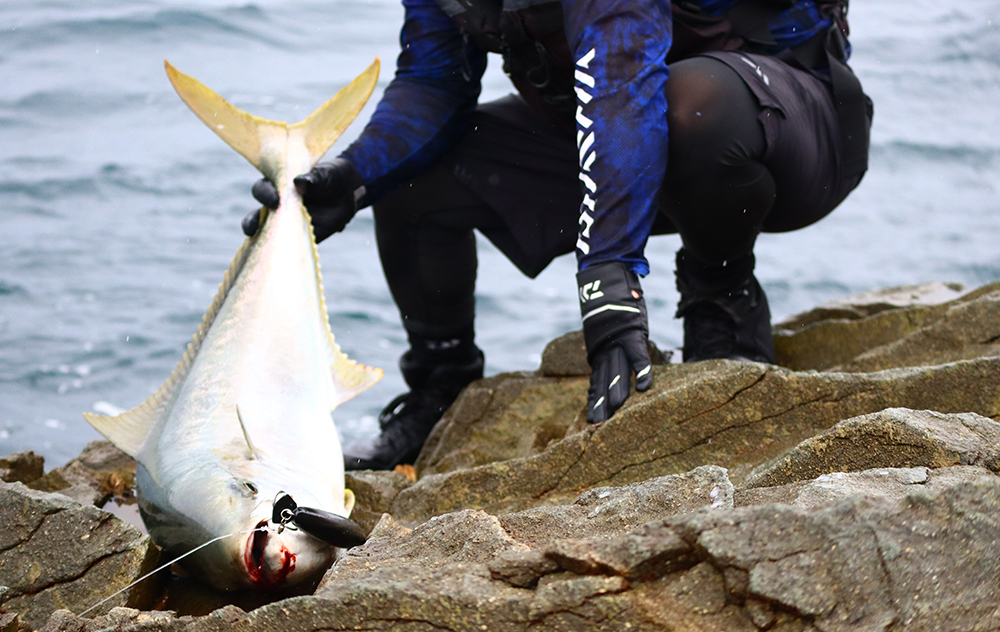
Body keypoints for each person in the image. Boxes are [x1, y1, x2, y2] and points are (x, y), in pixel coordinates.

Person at [246, 0, 872, 471]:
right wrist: (354, 177)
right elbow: (435, 83)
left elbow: (623, 77)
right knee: (413, 179)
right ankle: (439, 392)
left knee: (691, 106)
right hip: (608, 129)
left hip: (783, 130)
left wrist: (609, 279)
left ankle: (722, 301)